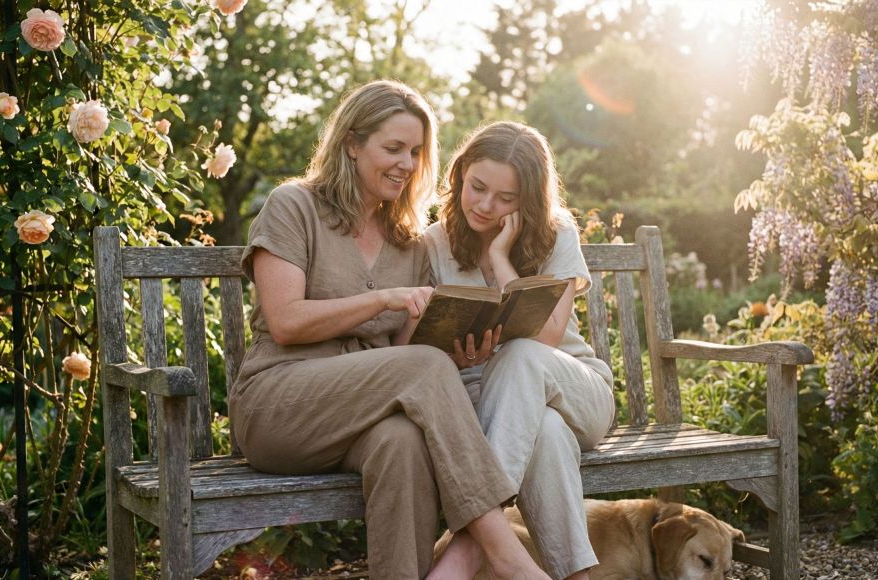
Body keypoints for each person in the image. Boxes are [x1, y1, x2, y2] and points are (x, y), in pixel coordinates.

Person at [229, 81, 548, 580]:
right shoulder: (295, 206)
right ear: (352, 144)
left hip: (362, 417)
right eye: (393, 147)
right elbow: (286, 321)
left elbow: (405, 356)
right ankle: (504, 553)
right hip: (280, 407)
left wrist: (453, 352)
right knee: (424, 369)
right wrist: (383, 300)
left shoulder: (410, 242)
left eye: (417, 152)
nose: (407, 163)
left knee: (403, 441)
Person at [424, 121, 616, 580]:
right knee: (544, 433)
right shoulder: (434, 242)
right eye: (477, 187)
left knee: (521, 354)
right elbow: (421, 346)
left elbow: (545, 336)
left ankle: (472, 544)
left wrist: (499, 258)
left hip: (577, 392)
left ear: (527, 200)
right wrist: (458, 356)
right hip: (492, 408)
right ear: (460, 174)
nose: (487, 206)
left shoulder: (557, 232)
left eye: (506, 199)